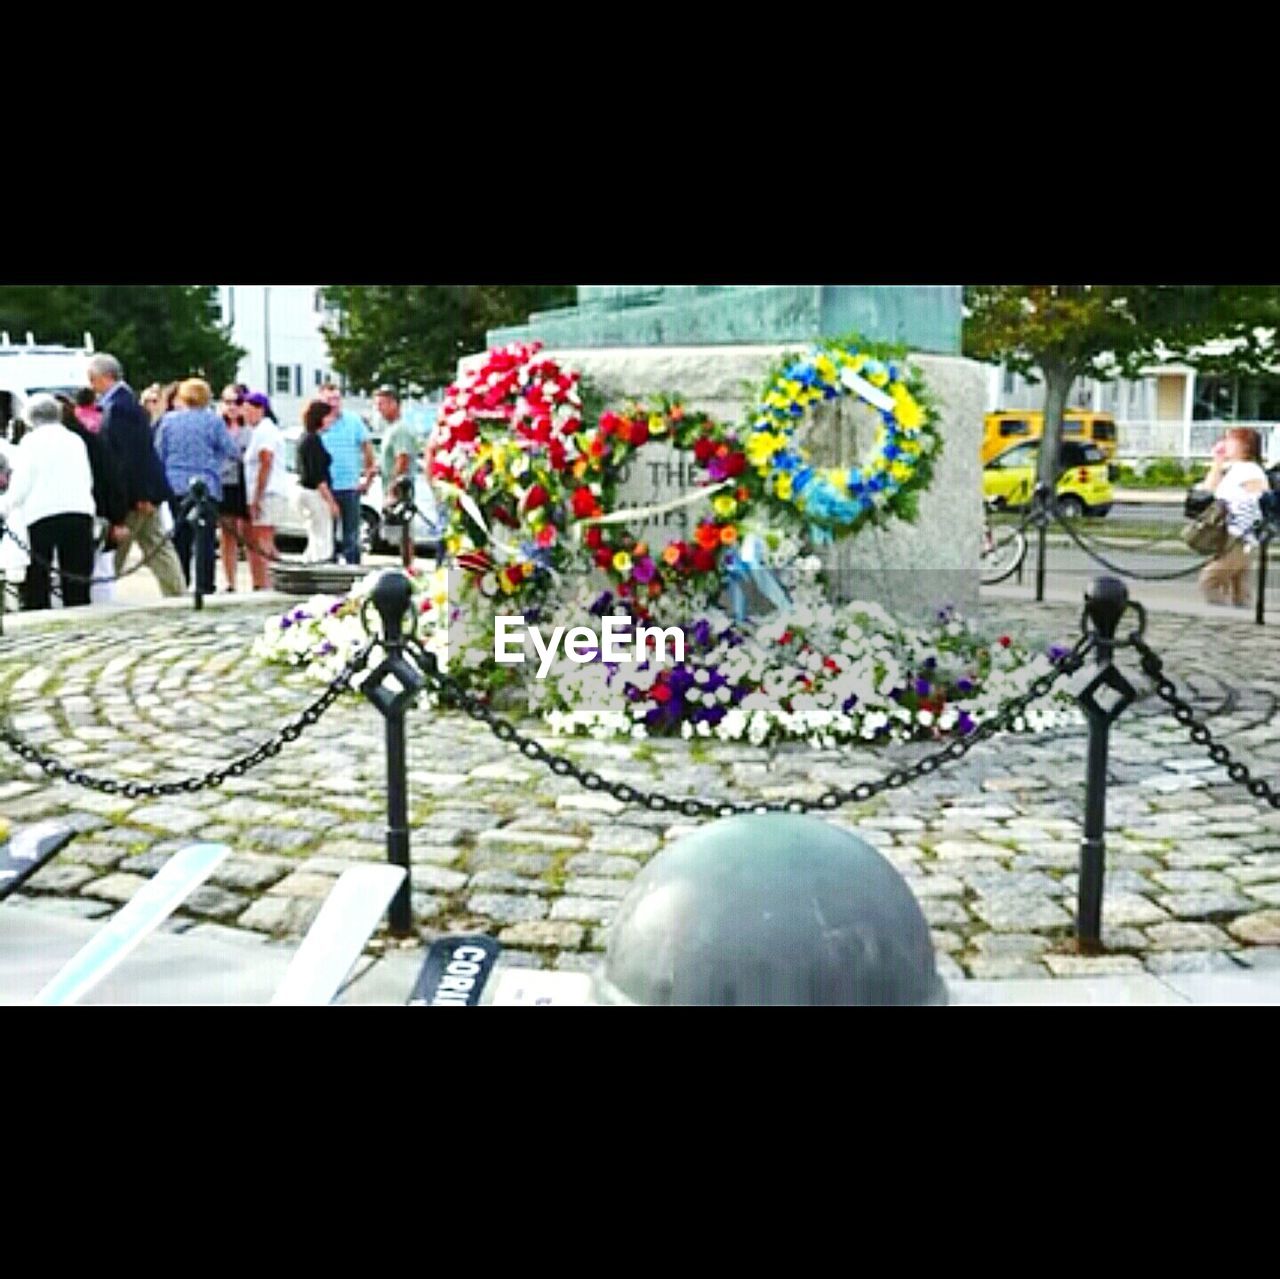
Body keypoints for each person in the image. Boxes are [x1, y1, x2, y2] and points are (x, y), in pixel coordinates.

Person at [89, 353, 186, 597]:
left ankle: (101, 594)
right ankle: (177, 593)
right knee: (155, 545)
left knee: (119, 547)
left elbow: (131, 455)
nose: (91, 385)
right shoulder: (124, 403)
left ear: (105, 377)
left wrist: (139, 494)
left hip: (136, 492)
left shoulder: (120, 407)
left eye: (93, 378)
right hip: (142, 489)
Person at [0, 394, 96, 610]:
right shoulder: (75, 439)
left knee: (38, 574)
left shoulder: (30, 442)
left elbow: (22, 483)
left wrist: (5, 506)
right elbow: (86, 477)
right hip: (79, 510)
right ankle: (79, 608)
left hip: (43, 513)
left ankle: (38, 607)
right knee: (76, 574)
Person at [155, 378, 238, 596]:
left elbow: (159, 452)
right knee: (206, 540)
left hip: (176, 485)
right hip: (207, 484)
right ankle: (205, 585)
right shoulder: (214, 422)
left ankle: (180, 582)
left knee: (179, 537)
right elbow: (232, 450)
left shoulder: (169, 421)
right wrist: (215, 463)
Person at [1199, 426, 1269, 607]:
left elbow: (1260, 498)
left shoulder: (1250, 470)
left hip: (1242, 536)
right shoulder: (1233, 469)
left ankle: (1219, 618)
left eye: (1231, 440)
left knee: (1210, 581)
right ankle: (1239, 621)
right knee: (1240, 588)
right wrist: (1217, 461)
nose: (1225, 443)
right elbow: (1209, 490)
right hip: (1231, 535)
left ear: (1245, 446)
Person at [317, 382, 376, 564]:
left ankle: (353, 574)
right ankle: (330, 573)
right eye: (329, 399)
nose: (334, 403)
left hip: (350, 486)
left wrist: (367, 478)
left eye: (337, 398)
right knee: (328, 536)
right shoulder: (318, 424)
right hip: (326, 488)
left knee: (351, 536)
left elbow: (367, 448)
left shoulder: (353, 421)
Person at [242, 391, 288, 589]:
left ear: (259, 410)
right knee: (260, 538)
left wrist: (256, 497)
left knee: (264, 539)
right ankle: (263, 581)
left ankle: (271, 581)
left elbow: (265, 462)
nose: (245, 415)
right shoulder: (261, 431)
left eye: (248, 410)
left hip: (268, 493)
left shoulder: (265, 431)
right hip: (266, 492)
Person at [295, 399, 340, 563]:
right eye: (329, 417)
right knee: (322, 535)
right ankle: (319, 564)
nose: (331, 420)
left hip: (305, 492)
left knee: (314, 534)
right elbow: (318, 476)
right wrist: (331, 501)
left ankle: (310, 562)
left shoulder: (305, 438)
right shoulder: (312, 441)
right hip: (314, 493)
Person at [217, 383, 251, 591]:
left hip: (247, 483)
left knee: (249, 533)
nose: (232, 407)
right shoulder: (217, 427)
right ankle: (230, 581)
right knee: (227, 534)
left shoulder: (251, 428)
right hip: (226, 484)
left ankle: (259, 579)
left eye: (236, 402)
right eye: (227, 402)